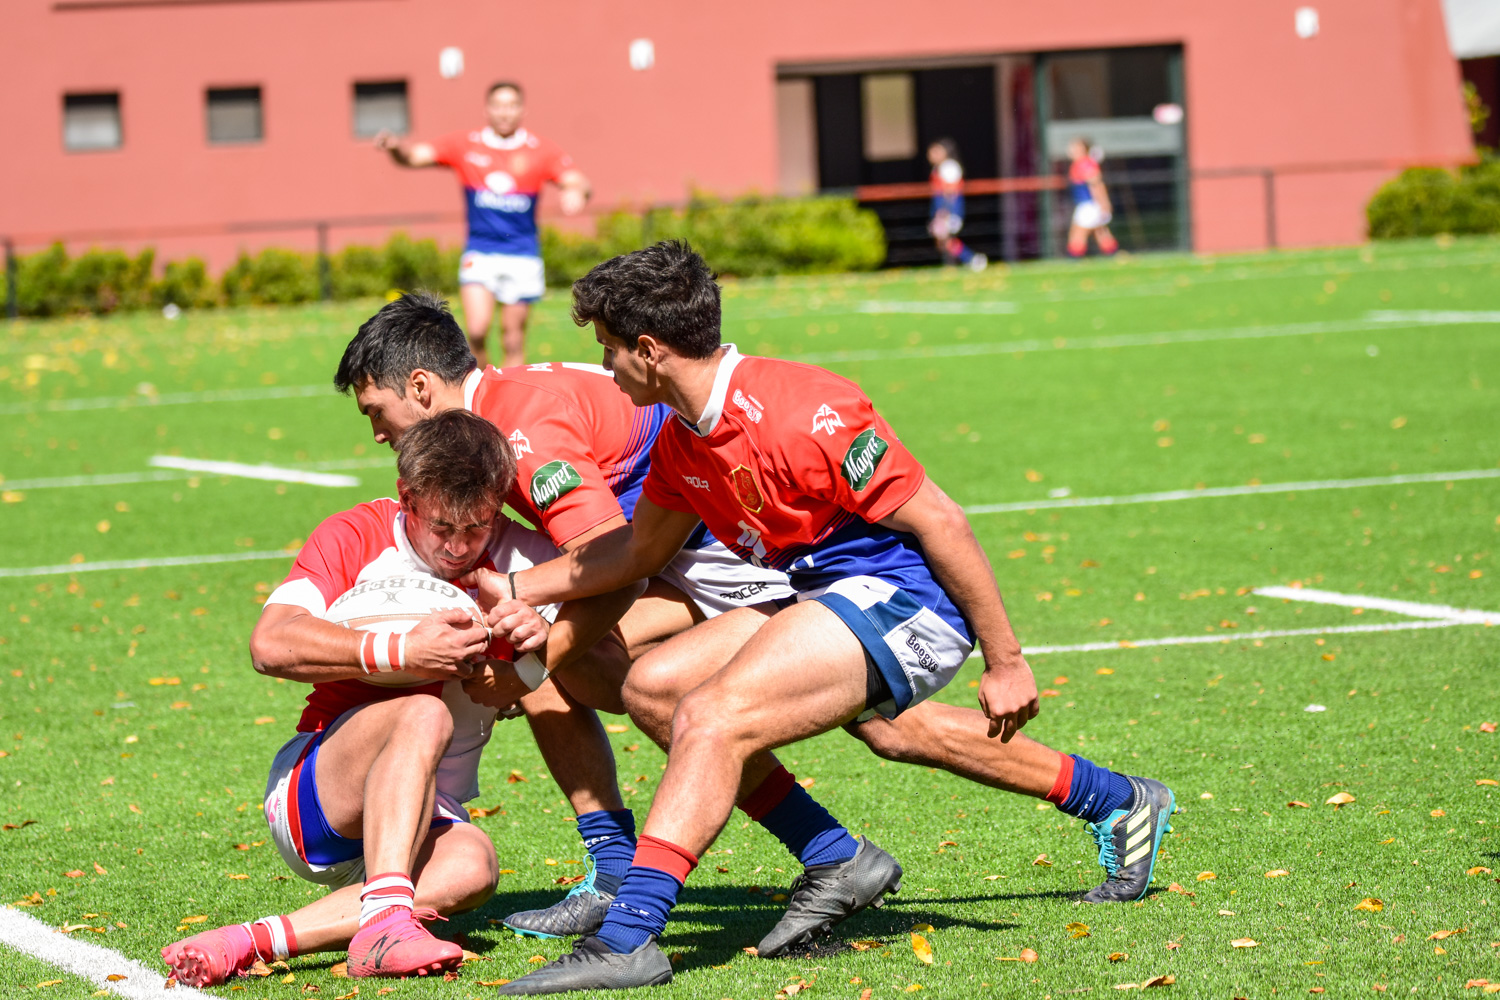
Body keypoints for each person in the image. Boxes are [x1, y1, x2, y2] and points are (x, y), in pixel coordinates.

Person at [481, 242, 1179, 993]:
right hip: (816, 590)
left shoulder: (803, 407)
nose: (607, 370)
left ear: (650, 352)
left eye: (610, 351)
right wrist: (514, 590)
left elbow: (942, 521)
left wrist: (1006, 661)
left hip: (906, 595)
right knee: (656, 689)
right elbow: (631, 556)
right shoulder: (683, 441)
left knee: (717, 716)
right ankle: (1081, 808)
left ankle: (628, 937)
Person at [159, 411, 629, 984]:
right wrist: (401, 651)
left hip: (425, 820)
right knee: (424, 710)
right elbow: (270, 644)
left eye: (476, 527)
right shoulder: (355, 534)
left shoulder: (520, 555)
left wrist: (541, 649)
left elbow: (620, 607)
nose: (458, 547)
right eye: (441, 527)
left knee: (475, 865)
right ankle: (385, 920)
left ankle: (255, 939)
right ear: (407, 495)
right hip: (322, 797)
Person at [375, 81, 591, 367]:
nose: (504, 113)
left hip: (522, 253)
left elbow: (578, 180)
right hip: (481, 250)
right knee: (476, 331)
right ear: (487, 109)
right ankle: (485, 394)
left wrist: (574, 191)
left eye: (511, 105)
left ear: (521, 110)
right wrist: (395, 147)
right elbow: (413, 156)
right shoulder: (466, 144)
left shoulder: (540, 150)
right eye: (498, 106)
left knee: (512, 339)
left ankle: (512, 402)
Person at [927, 139, 986, 271]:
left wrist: (945, 212)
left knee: (947, 241)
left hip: (949, 209)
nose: (931, 154)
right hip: (940, 209)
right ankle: (958, 263)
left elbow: (951, 191)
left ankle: (972, 259)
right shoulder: (937, 168)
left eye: (936, 151)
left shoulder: (949, 167)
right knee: (943, 241)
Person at [1066, 137, 1119, 258]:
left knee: (1078, 234)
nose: (1071, 150)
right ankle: (1114, 256)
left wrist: (1104, 203)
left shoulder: (1085, 164)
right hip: (1088, 204)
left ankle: (1074, 260)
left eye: (1075, 147)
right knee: (1101, 232)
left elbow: (1096, 185)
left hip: (1089, 204)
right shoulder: (1080, 163)